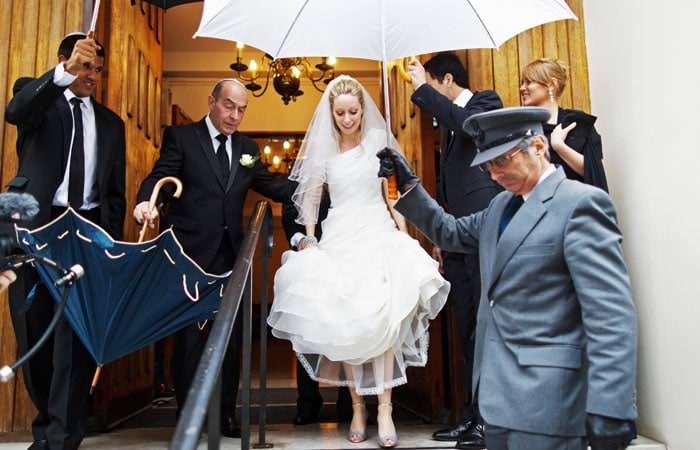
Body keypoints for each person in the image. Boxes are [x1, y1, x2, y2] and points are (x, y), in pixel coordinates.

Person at [377, 106, 637, 450]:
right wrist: (409, 185)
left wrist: (611, 407)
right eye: (487, 165)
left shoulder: (581, 205)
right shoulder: (499, 207)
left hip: (551, 404)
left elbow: (611, 316)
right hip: (497, 404)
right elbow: (450, 232)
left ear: (539, 148)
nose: (494, 173)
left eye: (502, 160)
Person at [267, 75, 449, 449]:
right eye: (340, 113)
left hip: (375, 230)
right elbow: (311, 200)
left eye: (353, 111)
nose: (347, 119)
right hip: (339, 235)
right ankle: (357, 407)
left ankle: (384, 408)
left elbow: (392, 193)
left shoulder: (378, 144)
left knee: (381, 316)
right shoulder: (324, 152)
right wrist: (311, 238)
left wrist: (403, 231)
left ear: (363, 110)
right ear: (331, 114)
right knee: (346, 321)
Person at [133, 78, 295, 438]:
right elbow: (161, 176)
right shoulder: (182, 138)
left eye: (241, 110)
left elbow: (270, 184)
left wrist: (315, 184)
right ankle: (189, 416)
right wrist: (147, 202)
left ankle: (224, 416)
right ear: (212, 101)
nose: (234, 115)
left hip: (230, 259)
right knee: (190, 340)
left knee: (231, 340)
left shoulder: (248, 147)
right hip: (189, 256)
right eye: (228, 106)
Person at [4, 32, 126, 450]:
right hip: (36, 232)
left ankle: (62, 437)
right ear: (66, 60)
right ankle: (48, 427)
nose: (92, 75)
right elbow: (15, 111)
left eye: (97, 69)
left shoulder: (112, 124)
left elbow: (114, 194)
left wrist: (112, 246)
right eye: (85, 66)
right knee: (35, 335)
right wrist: (64, 72)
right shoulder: (37, 97)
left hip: (87, 235)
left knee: (75, 341)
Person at [407, 52, 502, 448]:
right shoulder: (445, 125)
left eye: (432, 84)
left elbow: (469, 127)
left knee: (485, 327)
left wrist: (420, 90)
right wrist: (443, 241)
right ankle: (471, 415)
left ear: (446, 80)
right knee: (465, 326)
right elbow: (447, 188)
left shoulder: (485, 103)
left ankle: (490, 420)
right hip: (458, 240)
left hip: (484, 231)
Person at [280, 197, 353, 425]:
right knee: (307, 330)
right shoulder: (306, 163)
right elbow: (290, 203)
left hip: (347, 256)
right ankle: (308, 403)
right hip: (312, 258)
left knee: (349, 331)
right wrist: (300, 239)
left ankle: (349, 404)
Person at [520, 58, 608, 191]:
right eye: (521, 83)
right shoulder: (521, 128)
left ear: (551, 84)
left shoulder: (577, 123)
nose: (522, 88)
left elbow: (593, 171)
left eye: (529, 82)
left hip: (577, 205)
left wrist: (559, 147)